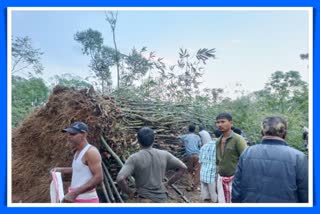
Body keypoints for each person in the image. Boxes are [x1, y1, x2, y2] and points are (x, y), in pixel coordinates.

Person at [232, 116, 308, 203]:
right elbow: (305, 193)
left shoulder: (247, 152)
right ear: (285, 133)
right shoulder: (298, 157)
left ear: (262, 132)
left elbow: (236, 187)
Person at [117, 127, 187, 203]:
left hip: (144, 199)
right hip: (162, 199)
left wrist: (129, 192)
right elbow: (183, 167)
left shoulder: (134, 158)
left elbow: (120, 178)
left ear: (138, 141)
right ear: (153, 140)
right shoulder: (164, 154)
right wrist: (168, 183)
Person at [51, 121, 103, 203]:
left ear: (84, 134)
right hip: (77, 197)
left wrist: (74, 193)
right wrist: (61, 170)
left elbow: (98, 177)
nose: (69, 136)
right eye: (69, 134)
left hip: (86, 199)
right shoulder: (78, 152)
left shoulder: (91, 152)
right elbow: (80, 170)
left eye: (73, 134)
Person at [215, 113, 247, 203]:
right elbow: (218, 162)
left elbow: (246, 159)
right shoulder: (218, 141)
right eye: (217, 122)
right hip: (221, 179)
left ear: (231, 123)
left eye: (223, 122)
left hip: (235, 181)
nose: (220, 125)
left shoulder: (238, 139)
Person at [176, 124, 202, 191]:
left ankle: (189, 186)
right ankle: (195, 187)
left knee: (189, 171)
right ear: (195, 129)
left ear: (188, 129)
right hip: (197, 155)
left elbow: (179, 141)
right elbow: (199, 145)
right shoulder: (197, 137)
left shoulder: (185, 136)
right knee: (197, 171)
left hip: (189, 155)